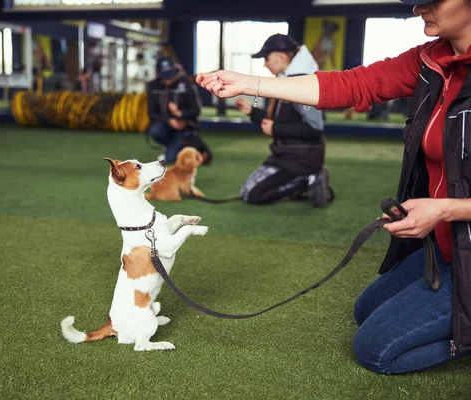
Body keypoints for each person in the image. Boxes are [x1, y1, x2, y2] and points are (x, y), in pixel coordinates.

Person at [195, 0, 471, 375]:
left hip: (460, 231)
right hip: (448, 244)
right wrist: (250, 82)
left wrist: (446, 209)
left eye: (432, 0)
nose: (417, 8)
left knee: (375, 351)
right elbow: (353, 84)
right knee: (365, 310)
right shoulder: (430, 60)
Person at [234, 34, 332, 207]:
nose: (265, 64)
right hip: (284, 155)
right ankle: (306, 178)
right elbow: (280, 121)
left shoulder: (302, 84)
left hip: (301, 159)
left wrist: (275, 129)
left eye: (267, 58)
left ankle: (310, 179)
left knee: (252, 195)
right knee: (246, 191)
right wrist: (252, 112)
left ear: (282, 56)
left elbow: (314, 128)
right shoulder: (288, 80)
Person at [146, 56, 204, 164]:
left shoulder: (187, 84)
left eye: (170, 76)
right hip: (166, 123)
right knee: (155, 131)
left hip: (185, 125)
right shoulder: (153, 86)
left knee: (171, 158)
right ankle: (172, 146)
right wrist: (169, 120)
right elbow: (151, 113)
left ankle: (181, 146)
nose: (168, 80)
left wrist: (181, 115)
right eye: (165, 77)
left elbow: (196, 111)